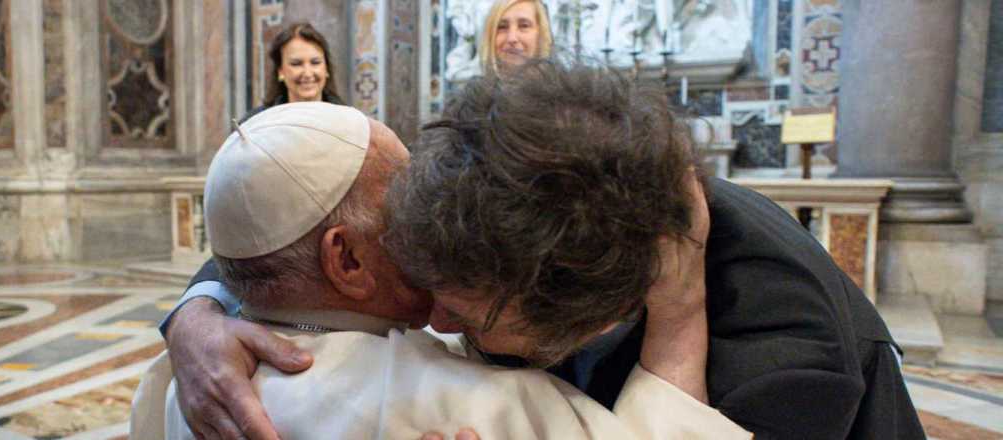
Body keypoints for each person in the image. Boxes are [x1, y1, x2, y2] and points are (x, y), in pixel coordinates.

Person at [161, 59, 924, 439]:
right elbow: (281, 239)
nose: (437, 322)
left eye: (458, 309)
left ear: (586, 309)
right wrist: (202, 309)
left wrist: (682, 321)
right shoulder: (500, 190)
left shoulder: (781, 374)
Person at [132, 101, 749, 440]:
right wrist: (681, 305)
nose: (437, 209)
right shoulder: (470, 410)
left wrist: (196, 310)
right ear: (346, 259)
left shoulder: (175, 384)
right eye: (404, 199)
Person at [243, 22, 344, 122]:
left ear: (326, 69)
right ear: (280, 71)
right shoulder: (254, 125)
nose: (307, 73)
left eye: (315, 62)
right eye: (296, 64)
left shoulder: (348, 121)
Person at [478, 0, 553, 73]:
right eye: (502, 27)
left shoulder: (561, 84)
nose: (511, 38)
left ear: (540, 34)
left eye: (524, 26)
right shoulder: (474, 84)